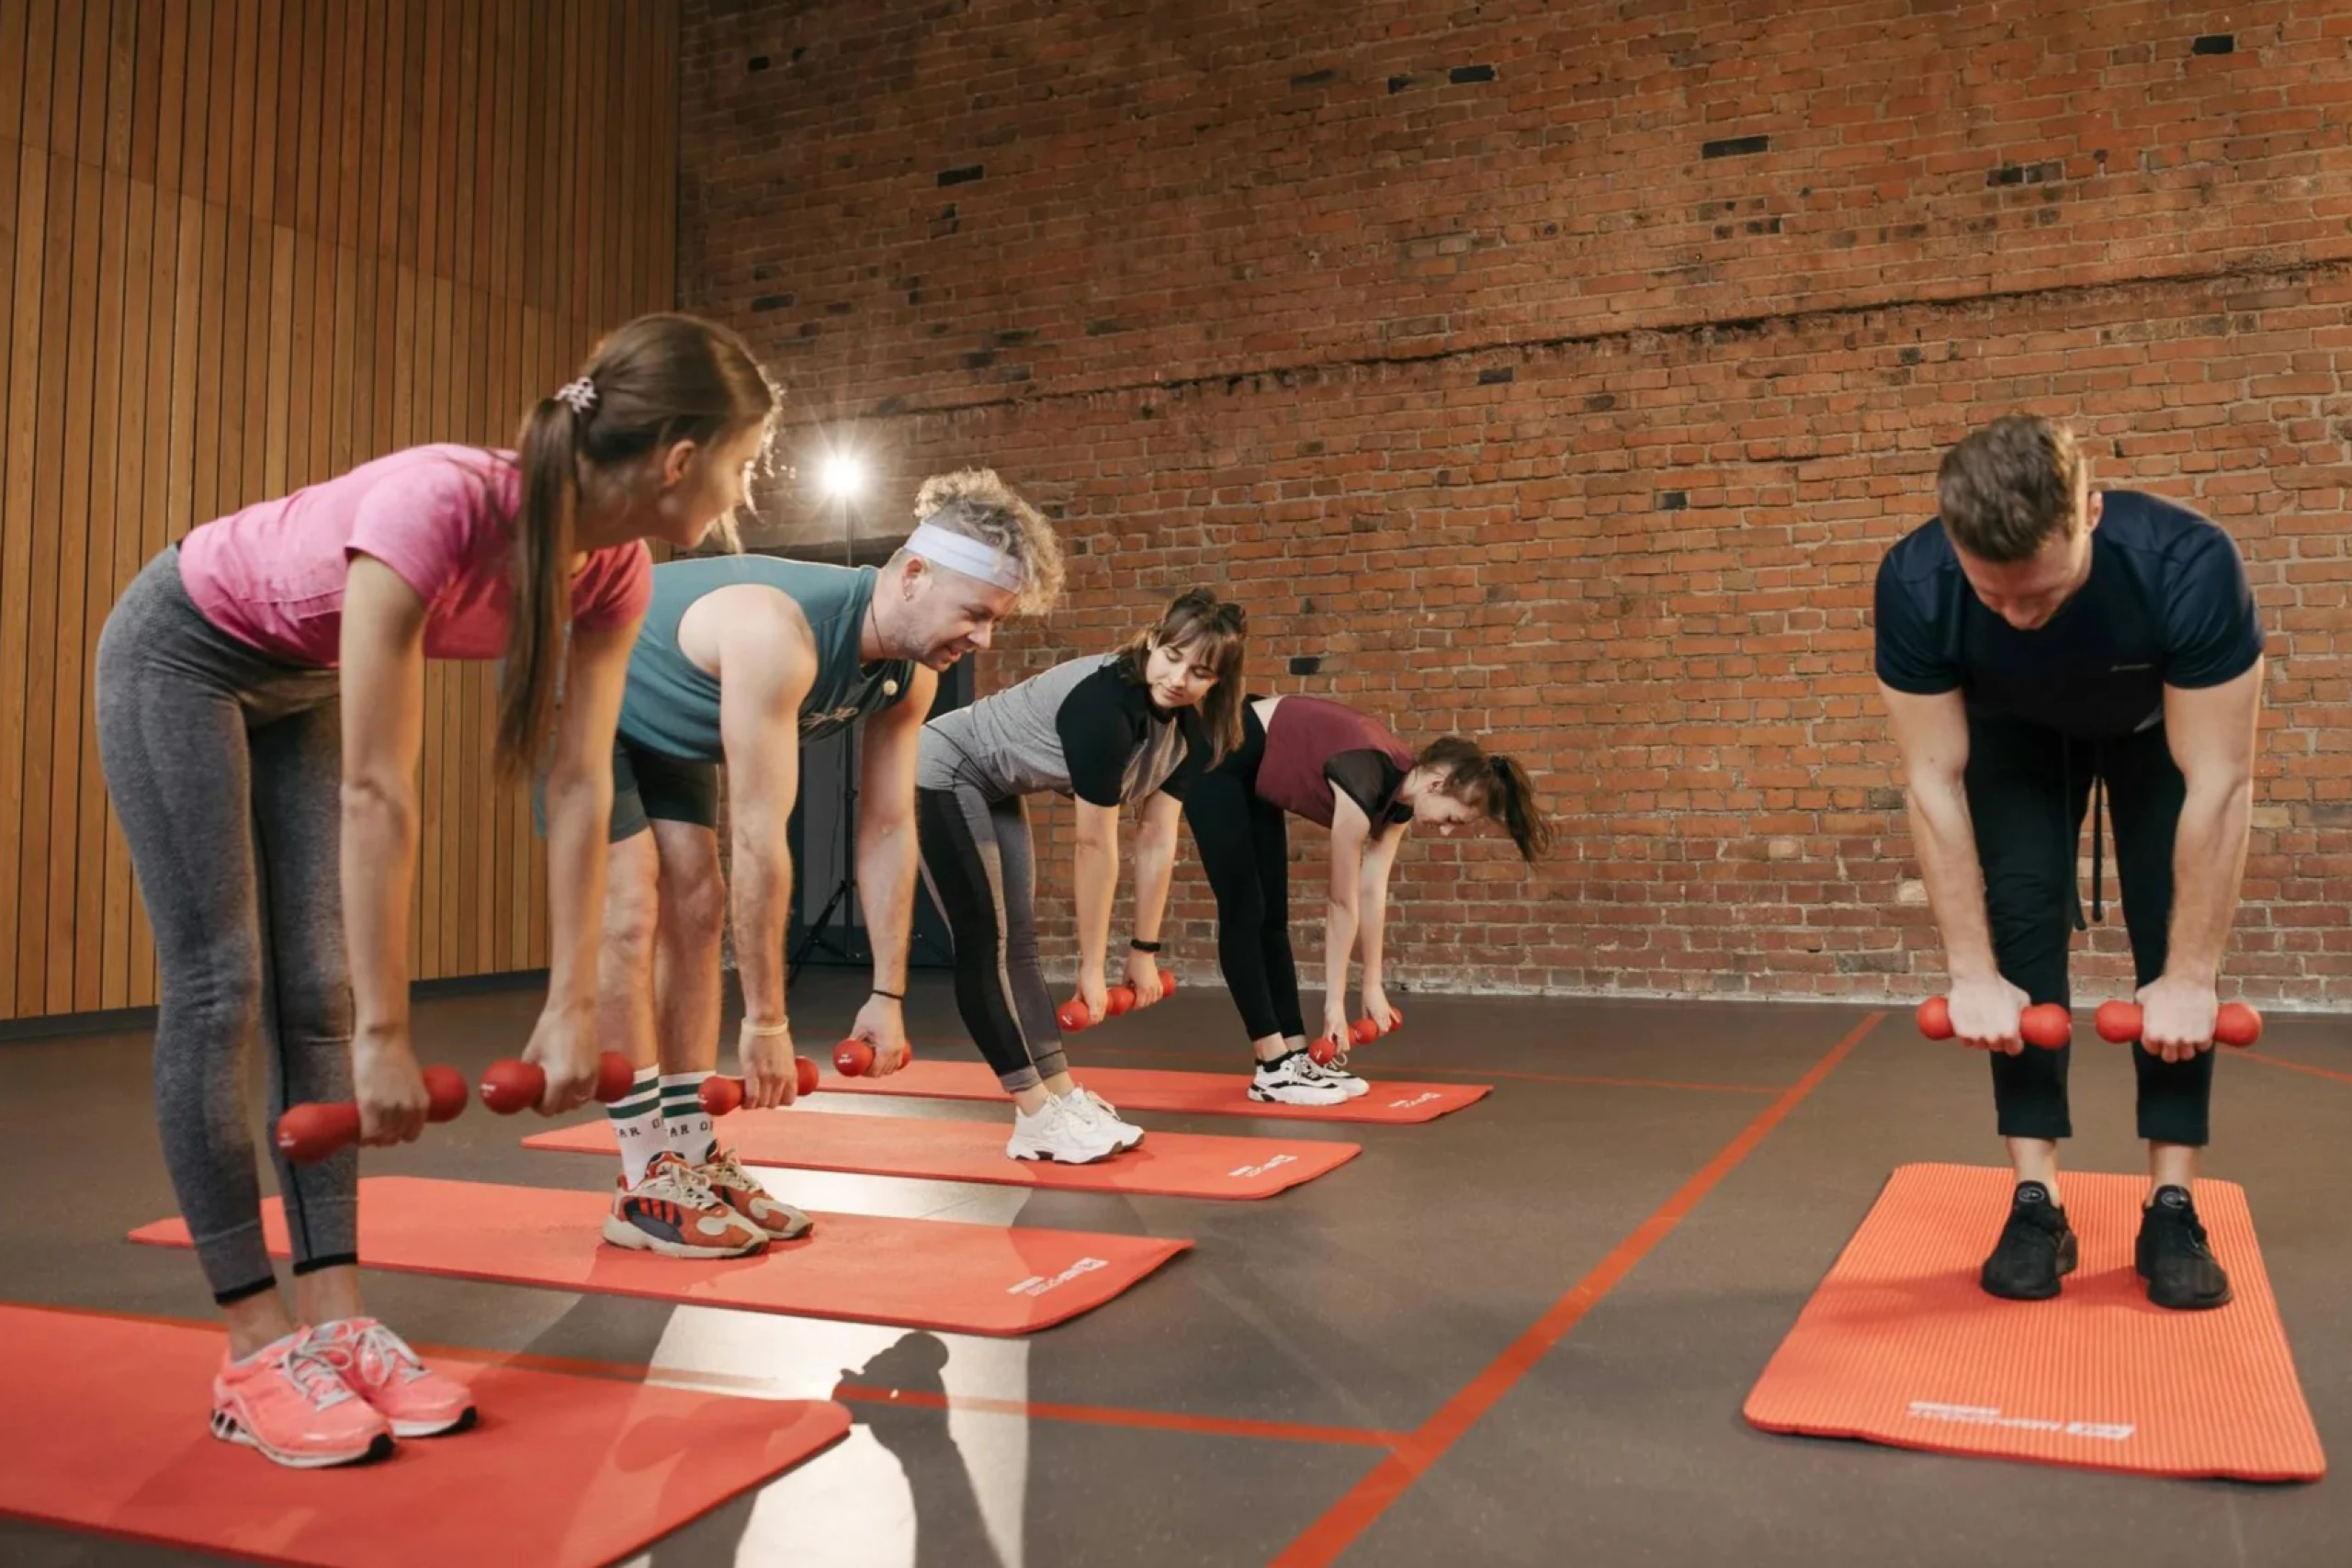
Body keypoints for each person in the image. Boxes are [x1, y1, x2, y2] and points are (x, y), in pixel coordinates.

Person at [94, 312, 776, 1468]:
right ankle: (254, 1349)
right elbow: (379, 792)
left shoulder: (615, 566)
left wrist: (569, 1001)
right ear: (678, 461)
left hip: (295, 679)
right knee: (224, 984)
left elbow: (574, 785)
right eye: (744, 462)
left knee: (318, 993)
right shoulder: (443, 504)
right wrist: (392, 1035)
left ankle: (336, 1318)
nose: (744, 487)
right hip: (184, 650)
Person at [586, 470, 1064, 1257]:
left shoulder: (913, 676)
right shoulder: (782, 636)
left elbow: (884, 826)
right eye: (975, 614)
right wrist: (767, 1020)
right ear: (913, 575)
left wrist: (887, 991)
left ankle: (692, 1154)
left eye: (995, 620)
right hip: (588, 678)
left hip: (673, 718)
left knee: (698, 906)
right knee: (637, 908)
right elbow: (759, 834)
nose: (983, 639)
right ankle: (642, 1176)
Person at [1873, 413, 2265, 1310]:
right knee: (2015, 925)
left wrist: (2192, 975)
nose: (2015, 614)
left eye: (2037, 595)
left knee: (2171, 929)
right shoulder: (1916, 582)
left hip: (2148, 724)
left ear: (2090, 510)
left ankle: (2171, 1202)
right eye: (1993, 597)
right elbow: (1932, 783)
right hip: (2011, 726)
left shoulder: (2187, 567)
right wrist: (1968, 973)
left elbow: (2219, 785)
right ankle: (2035, 1200)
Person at [915, 589, 1248, 1164]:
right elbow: (1094, 844)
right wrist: (1092, 971)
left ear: (1217, 682)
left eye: (1199, 672)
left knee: (1019, 945)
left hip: (995, 785)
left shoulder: (1189, 735)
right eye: (1170, 655)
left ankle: (1061, 1097)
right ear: (1151, 641)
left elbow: (1156, 838)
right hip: (945, 768)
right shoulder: (1106, 709)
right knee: (985, 943)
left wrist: (1143, 949)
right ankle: (1035, 1115)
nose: (1177, 678)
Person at [1182, 695, 1551, 1103]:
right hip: (1218, 755)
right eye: (1451, 819)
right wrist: (1334, 1005)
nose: (1445, 832)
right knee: (1246, 910)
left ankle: (1295, 1055)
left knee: (1273, 917)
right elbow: (1341, 902)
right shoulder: (1365, 778)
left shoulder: (1398, 799)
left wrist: (1372, 984)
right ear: (1436, 784)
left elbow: (1372, 892)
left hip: (1254, 772)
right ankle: (1271, 1068)